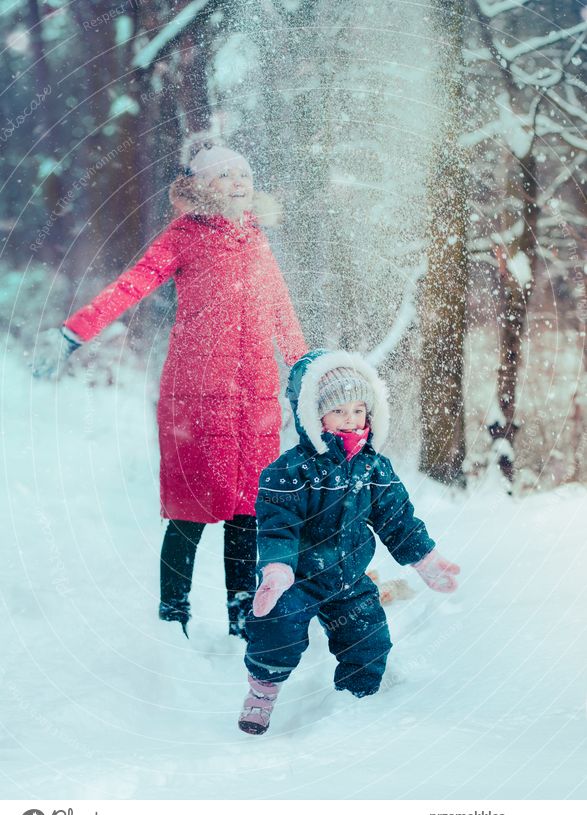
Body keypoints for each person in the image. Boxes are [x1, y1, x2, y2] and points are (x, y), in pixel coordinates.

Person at [32, 143, 307, 639]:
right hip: (199, 394)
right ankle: (172, 617)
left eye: (243, 173)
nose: (238, 182)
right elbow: (132, 284)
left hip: (257, 398)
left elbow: (281, 310)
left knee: (249, 513)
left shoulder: (258, 240)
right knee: (191, 511)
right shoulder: (185, 235)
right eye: (224, 176)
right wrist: (76, 332)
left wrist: (305, 367)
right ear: (202, 186)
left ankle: (244, 619)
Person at [238, 349, 460, 734]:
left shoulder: (374, 466)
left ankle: (356, 707)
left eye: (359, 410)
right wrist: (276, 570)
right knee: (277, 628)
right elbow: (278, 527)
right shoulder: (288, 472)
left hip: (350, 579)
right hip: (299, 579)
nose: (351, 420)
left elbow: (398, 519)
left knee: (369, 641)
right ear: (312, 415)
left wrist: (426, 559)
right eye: (339, 411)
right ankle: (263, 691)